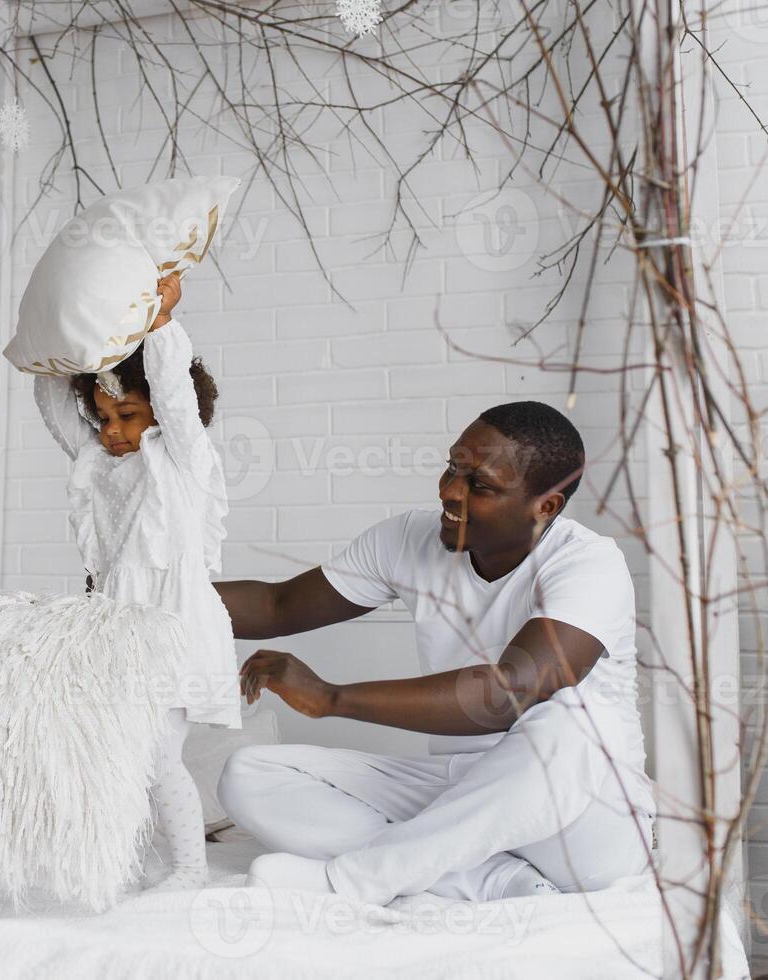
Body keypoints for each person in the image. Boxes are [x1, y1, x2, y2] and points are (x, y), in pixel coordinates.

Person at [214, 401, 655, 904]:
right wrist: (142, 592)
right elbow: (279, 604)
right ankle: (496, 883)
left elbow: (505, 693)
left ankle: (353, 881)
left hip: (585, 817)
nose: (450, 491)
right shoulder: (407, 539)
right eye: (453, 468)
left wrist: (333, 697)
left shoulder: (588, 564)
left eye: (480, 485)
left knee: (570, 721)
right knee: (250, 776)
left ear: (545, 506)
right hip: (459, 788)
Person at [33, 273, 240, 891]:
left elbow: (173, 396)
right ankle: (125, 861)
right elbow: (53, 407)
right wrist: (53, 343)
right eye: (101, 417)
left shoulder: (183, 458)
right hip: (115, 627)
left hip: (172, 624)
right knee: (117, 753)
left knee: (156, 754)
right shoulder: (97, 461)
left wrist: (160, 327)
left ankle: (188, 869)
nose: (111, 430)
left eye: (127, 414)